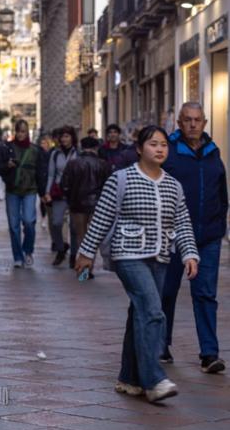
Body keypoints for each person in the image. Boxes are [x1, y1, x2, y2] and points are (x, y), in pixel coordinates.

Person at [76, 126, 199, 403]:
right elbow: (102, 218)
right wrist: (86, 253)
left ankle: (129, 378)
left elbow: (182, 223)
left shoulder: (173, 185)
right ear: (139, 149)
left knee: (140, 313)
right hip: (127, 254)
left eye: (164, 145)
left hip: (160, 257)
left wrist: (190, 254)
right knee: (153, 311)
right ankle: (153, 379)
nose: (159, 149)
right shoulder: (121, 179)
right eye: (153, 144)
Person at [161, 102, 228, 373]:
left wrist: (219, 222)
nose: (192, 124)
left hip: (208, 236)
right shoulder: (169, 152)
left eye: (197, 120)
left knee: (206, 294)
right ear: (179, 122)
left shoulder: (214, 153)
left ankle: (209, 353)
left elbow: (222, 192)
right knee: (167, 291)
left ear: (205, 122)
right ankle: (161, 345)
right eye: (187, 119)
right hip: (174, 235)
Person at [0, 119, 47, 267]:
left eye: (23, 131)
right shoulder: (7, 148)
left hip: (30, 191)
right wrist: (7, 165)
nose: (20, 134)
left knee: (29, 222)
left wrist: (43, 193)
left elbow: (40, 173)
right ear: (15, 132)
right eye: (18, 131)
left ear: (27, 132)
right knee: (13, 225)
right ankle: (18, 256)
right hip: (12, 191)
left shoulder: (35, 150)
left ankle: (28, 250)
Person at [61, 136, 112, 277]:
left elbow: (64, 185)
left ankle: (83, 269)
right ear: (96, 148)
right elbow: (110, 186)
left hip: (77, 205)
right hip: (98, 205)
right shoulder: (103, 164)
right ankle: (88, 268)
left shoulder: (73, 164)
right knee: (93, 237)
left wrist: (70, 199)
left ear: (81, 147)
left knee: (81, 237)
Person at [45, 125, 78, 265]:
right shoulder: (55, 154)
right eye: (62, 136)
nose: (64, 139)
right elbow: (51, 174)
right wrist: (47, 192)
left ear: (72, 138)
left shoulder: (79, 153)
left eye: (67, 136)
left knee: (74, 227)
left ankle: (74, 255)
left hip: (76, 192)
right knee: (56, 223)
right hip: (59, 192)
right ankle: (61, 249)